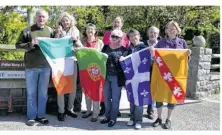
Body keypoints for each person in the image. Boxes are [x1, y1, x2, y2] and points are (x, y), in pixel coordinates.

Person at [16, 9, 54, 126]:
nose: (41, 18)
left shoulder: (51, 31)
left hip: (45, 67)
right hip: (31, 67)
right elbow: (18, 46)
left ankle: (41, 116)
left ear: (46, 19)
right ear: (35, 18)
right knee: (31, 94)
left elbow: (55, 45)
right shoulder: (27, 31)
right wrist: (31, 44)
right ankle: (31, 117)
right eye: (39, 16)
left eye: (43, 17)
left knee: (43, 94)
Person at [151, 21, 190, 129]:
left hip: (175, 75)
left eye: (174, 28)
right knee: (159, 96)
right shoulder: (160, 42)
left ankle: (169, 119)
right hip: (162, 74)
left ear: (177, 30)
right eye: (169, 28)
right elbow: (155, 58)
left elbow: (186, 59)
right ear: (166, 30)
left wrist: (188, 54)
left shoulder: (182, 43)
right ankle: (158, 118)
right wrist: (152, 52)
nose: (171, 30)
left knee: (172, 97)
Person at [55, 12, 83, 121]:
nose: (65, 22)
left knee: (72, 87)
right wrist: (58, 34)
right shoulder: (58, 30)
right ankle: (61, 111)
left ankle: (69, 109)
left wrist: (75, 39)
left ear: (71, 21)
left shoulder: (75, 30)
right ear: (61, 22)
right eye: (63, 21)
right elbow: (55, 44)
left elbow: (79, 46)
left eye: (67, 20)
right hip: (61, 62)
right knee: (61, 86)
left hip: (72, 61)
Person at [100, 16, 130, 116]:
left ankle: (115, 111)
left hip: (118, 69)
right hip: (107, 69)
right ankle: (105, 109)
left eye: (119, 22)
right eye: (115, 22)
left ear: (122, 24)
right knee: (107, 94)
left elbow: (126, 50)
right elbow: (103, 51)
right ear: (112, 23)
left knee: (116, 94)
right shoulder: (107, 34)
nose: (117, 24)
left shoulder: (125, 35)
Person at [124, 29, 147, 130]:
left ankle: (138, 120)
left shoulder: (144, 47)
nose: (133, 38)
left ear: (139, 36)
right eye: (131, 36)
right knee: (132, 99)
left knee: (139, 100)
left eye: (135, 35)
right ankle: (132, 118)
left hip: (141, 77)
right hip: (130, 78)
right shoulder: (129, 49)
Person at [81, 23, 104, 122]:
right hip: (85, 70)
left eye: (92, 29)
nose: (90, 31)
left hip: (96, 71)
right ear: (85, 31)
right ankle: (88, 110)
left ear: (95, 31)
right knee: (86, 91)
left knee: (95, 91)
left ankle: (96, 113)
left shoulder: (100, 43)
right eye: (88, 29)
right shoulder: (82, 42)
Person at [143, 26, 160, 120]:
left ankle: (150, 111)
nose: (153, 34)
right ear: (148, 34)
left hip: (156, 70)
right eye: (151, 32)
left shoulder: (161, 45)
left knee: (152, 90)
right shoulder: (143, 44)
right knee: (142, 89)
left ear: (158, 35)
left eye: (155, 33)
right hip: (144, 70)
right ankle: (137, 110)